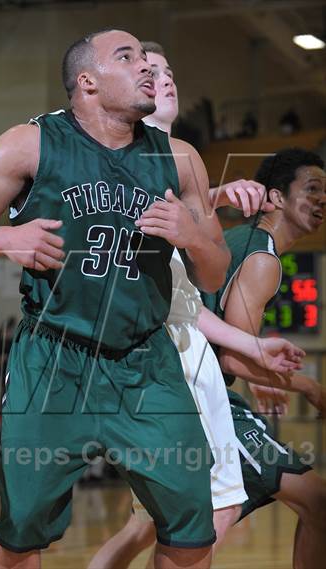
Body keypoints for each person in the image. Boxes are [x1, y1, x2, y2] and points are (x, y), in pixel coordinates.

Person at [0, 29, 235, 569]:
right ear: (88, 82)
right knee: (23, 528)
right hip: (54, 359)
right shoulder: (30, 144)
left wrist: (191, 237)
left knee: (193, 527)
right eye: (128, 57)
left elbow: (214, 272)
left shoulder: (180, 157)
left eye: (146, 56)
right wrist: (5, 238)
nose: (147, 66)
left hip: (146, 360)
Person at [87, 41, 305, 569]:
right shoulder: (127, 160)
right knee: (207, 510)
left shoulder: (180, 164)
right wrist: (209, 204)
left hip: (182, 350)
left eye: (168, 70)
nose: (164, 78)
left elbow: (186, 307)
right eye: (149, 70)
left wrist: (253, 344)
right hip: (154, 360)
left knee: (168, 519)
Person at [201, 147, 326, 568]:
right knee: (318, 502)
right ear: (274, 198)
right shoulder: (262, 257)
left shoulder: (242, 241)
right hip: (197, 393)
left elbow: (234, 344)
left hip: (191, 388)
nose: (322, 200)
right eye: (312, 190)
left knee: (163, 530)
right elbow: (233, 359)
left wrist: (258, 375)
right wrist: (309, 386)